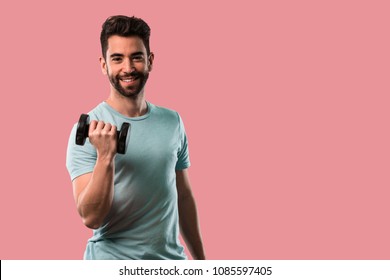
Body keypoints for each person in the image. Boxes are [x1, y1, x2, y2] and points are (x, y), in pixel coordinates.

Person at [66, 15, 205, 260]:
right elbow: (91, 218)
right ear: (103, 65)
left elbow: (183, 196)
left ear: (150, 61)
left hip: (170, 262)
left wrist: (202, 264)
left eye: (136, 57)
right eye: (117, 59)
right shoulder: (89, 130)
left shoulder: (173, 121)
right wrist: (105, 157)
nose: (128, 68)